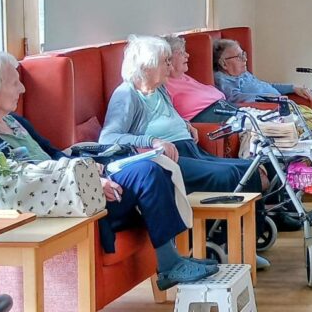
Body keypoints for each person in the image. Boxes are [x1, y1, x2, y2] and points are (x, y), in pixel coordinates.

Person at [0, 50, 218, 290]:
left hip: (77, 183)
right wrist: (86, 181)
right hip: (60, 198)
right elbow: (23, 178)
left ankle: (173, 258)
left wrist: (91, 174)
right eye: (15, 84)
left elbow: (54, 153)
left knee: (154, 167)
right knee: (147, 173)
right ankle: (170, 264)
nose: (22, 89)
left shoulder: (16, 123)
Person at [100, 35, 274, 268]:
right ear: (146, 65)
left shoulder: (159, 89)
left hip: (189, 148)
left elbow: (167, 116)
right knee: (230, 175)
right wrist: (151, 140)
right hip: (167, 159)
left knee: (250, 167)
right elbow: (108, 138)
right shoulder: (127, 94)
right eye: (165, 62)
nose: (170, 67)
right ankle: (226, 244)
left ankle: (246, 244)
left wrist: (185, 124)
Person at [213, 39, 312, 104]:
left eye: (244, 54)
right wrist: (268, 98)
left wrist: (293, 88)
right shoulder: (222, 78)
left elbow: (266, 85)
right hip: (269, 112)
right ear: (224, 64)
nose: (245, 59)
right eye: (239, 57)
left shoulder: (243, 74)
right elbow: (234, 98)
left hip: (280, 104)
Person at [162, 35, 233, 123]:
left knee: (252, 119)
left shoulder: (184, 77)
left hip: (225, 110)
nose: (187, 55)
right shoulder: (163, 84)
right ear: (168, 59)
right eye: (181, 53)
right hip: (209, 119)